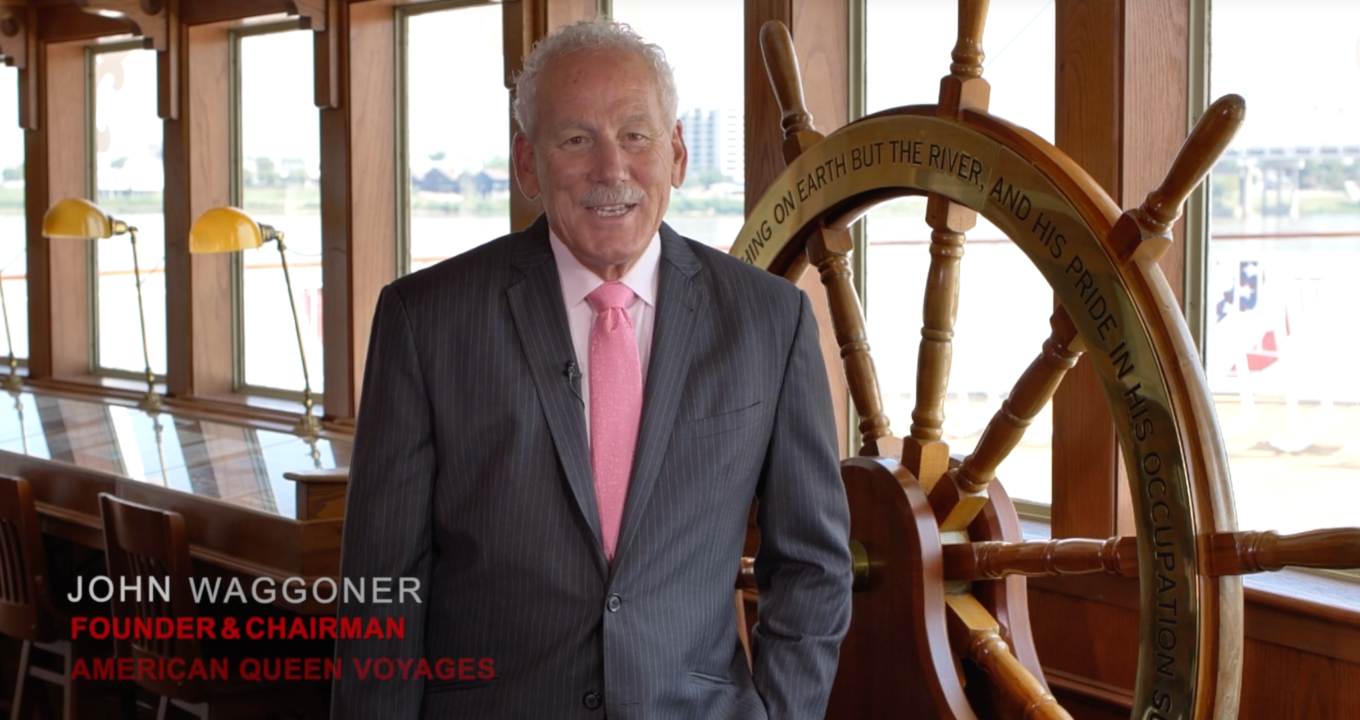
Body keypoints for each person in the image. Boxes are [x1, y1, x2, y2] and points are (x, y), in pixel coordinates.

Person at [333, 18, 851, 720]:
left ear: (676, 154)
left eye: (635, 136)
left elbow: (813, 565)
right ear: (527, 163)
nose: (612, 169)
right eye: (576, 140)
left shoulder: (771, 319)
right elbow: (382, 587)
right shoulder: (423, 319)